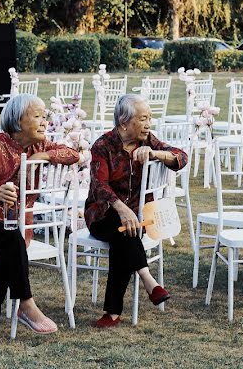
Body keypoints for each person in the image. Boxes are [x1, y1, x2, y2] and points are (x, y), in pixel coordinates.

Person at [0, 93, 80, 343]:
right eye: (37, 116)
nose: (44, 121)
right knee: (9, 240)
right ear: (17, 122)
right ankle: (25, 304)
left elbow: (73, 154)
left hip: (18, 228)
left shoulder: (39, 146)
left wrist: (45, 156)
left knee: (10, 243)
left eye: (45, 116)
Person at [84, 93, 188, 328]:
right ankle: (148, 280)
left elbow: (182, 157)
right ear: (123, 123)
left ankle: (112, 314)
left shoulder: (148, 141)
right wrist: (122, 209)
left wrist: (156, 154)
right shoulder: (102, 146)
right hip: (102, 214)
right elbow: (99, 186)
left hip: (139, 216)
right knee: (123, 230)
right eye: (142, 119)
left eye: (149, 118)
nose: (148, 124)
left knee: (125, 234)